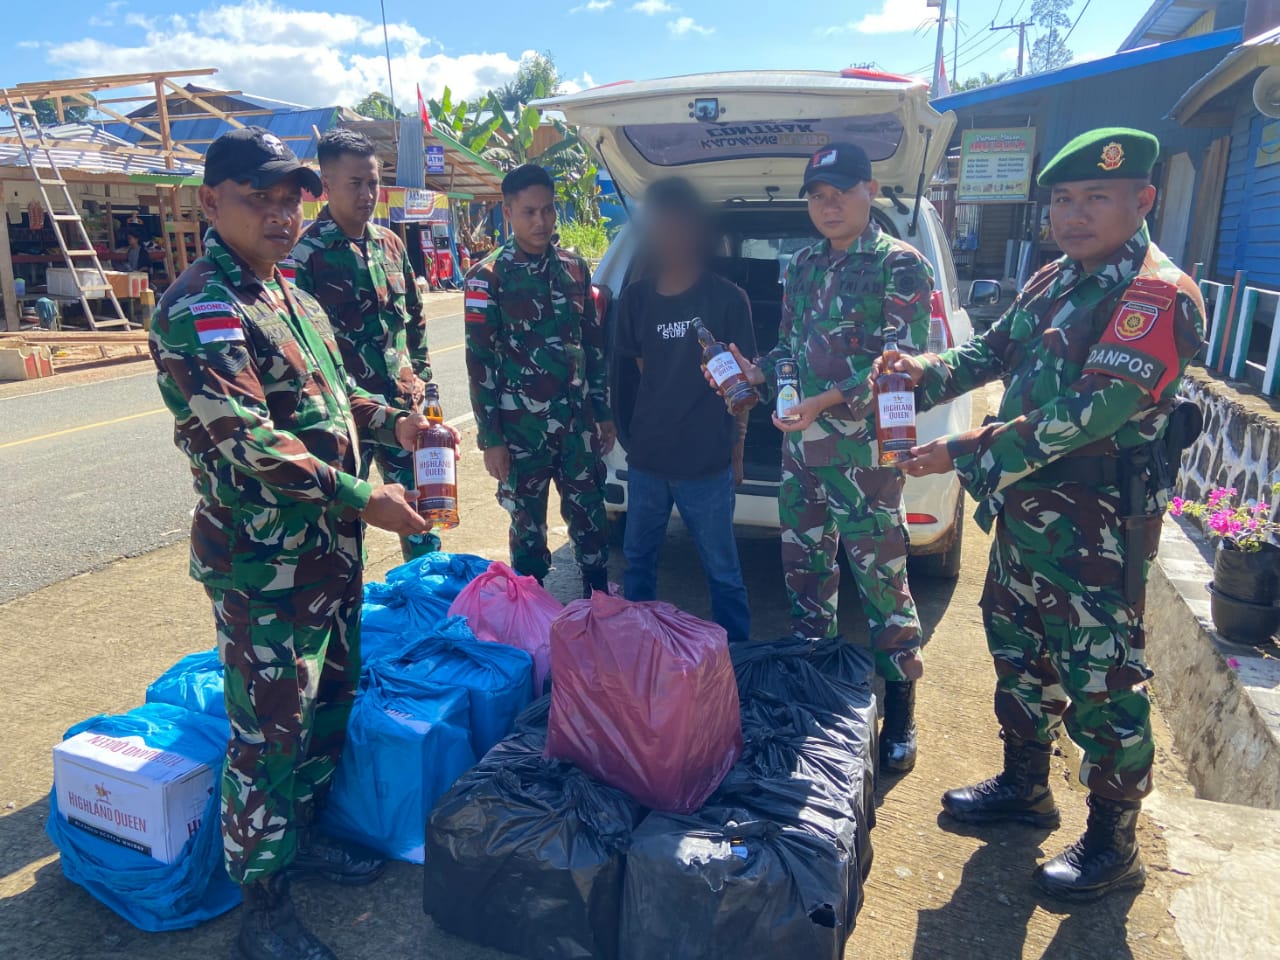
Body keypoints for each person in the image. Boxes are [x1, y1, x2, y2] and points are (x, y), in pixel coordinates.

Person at [890, 128, 1206, 900]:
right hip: (1028, 519)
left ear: (1142, 200)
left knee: (1103, 680)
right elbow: (989, 355)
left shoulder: (1157, 295)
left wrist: (963, 454)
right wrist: (916, 371)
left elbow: (1092, 412)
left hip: (1096, 528)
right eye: (1062, 199)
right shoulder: (1056, 279)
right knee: (1019, 655)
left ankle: (1113, 841)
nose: (1074, 214)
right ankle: (1025, 788)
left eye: (1095, 197)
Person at [149, 127, 433, 960]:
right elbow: (249, 440)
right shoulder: (203, 307)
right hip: (264, 565)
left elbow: (341, 397)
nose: (282, 215)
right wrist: (360, 495)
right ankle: (262, 909)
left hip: (329, 557)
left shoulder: (291, 297)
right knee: (269, 732)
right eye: (260, 199)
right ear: (210, 202)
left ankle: (300, 838)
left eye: (290, 199)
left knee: (327, 709)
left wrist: (400, 424)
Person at [725, 142, 933, 774]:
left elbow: (898, 361)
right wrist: (756, 373)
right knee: (806, 575)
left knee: (881, 582)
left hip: (864, 454)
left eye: (841, 190)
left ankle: (900, 712)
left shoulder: (901, 265)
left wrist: (821, 401)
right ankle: (818, 692)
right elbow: (790, 343)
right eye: (817, 194)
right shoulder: (807, 262)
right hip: (802, 454)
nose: (829, 204)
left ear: (870, 190)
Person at [464, 164, 615, 597]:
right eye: (529, 212)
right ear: (508, 212)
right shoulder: (486, 278)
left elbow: (593, 346)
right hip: (520, 432)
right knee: (527, 530)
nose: (541, 222)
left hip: (577, 427)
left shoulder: (574, 269)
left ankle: (597, 603)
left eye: (548, 210)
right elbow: (480, 362)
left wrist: (602, 413)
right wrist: (490, 438)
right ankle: (530, 613)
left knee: (589, 517)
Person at [616, 177, 754, 643]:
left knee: (724, 573)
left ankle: (735, 663)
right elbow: (643, 373)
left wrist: (737, 455)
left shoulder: (729, 299)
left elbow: (742, 389)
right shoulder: (635, 300)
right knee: (638, 567)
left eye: (681, 224)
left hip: (707, 465)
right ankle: (639, 655)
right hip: (648, 462)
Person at [291, 127, 438, 561]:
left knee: (421, 520)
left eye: (373, 182)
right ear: (327, 184)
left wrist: (425, 389)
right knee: (340, 531)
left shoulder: (391, 245)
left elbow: (415, 321)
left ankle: (426, 612)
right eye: (355, 183)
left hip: (400, 413)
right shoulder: (304, 256)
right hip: (343, 420)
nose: (367, 193)